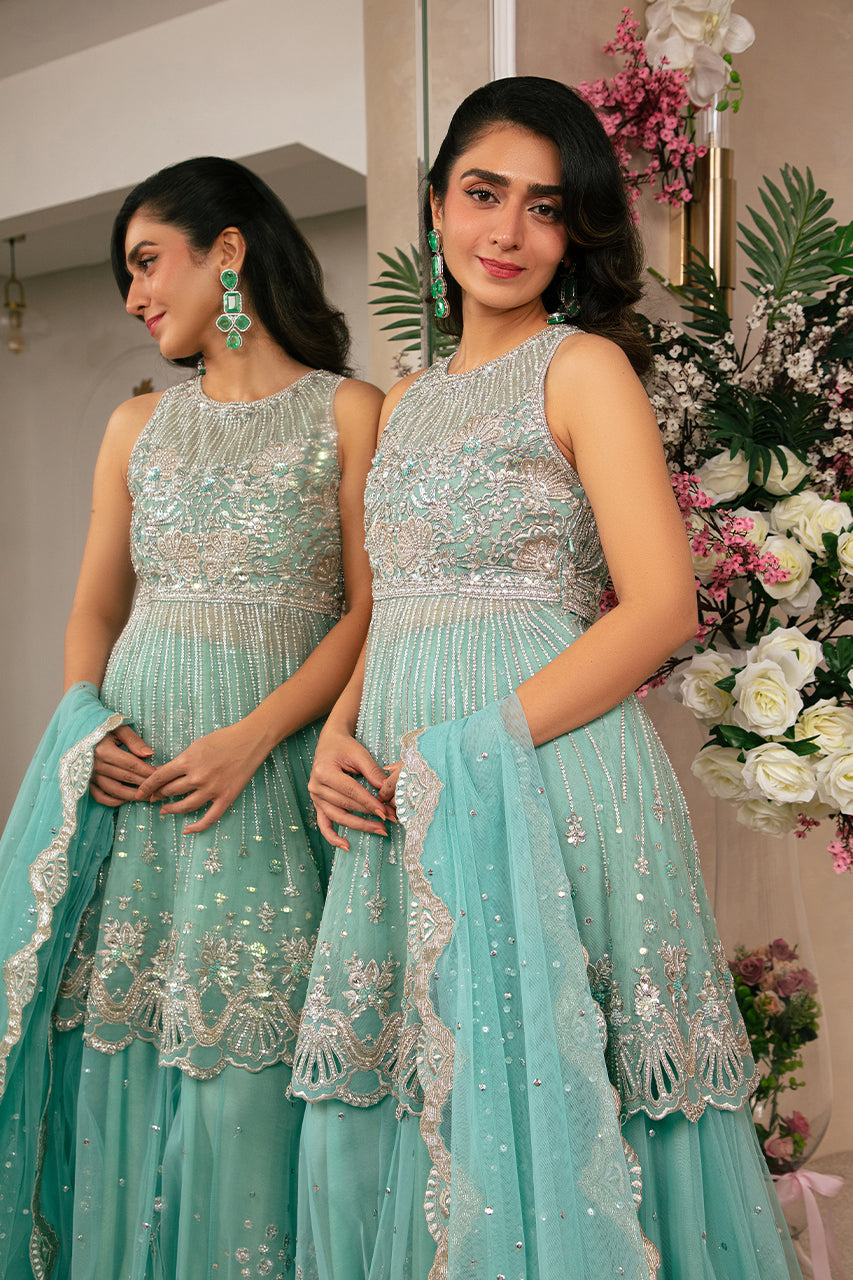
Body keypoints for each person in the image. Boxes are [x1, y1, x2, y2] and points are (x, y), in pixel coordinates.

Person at [293, 79, 801, 1280]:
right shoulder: (403, 401)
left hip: (543, 773)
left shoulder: (582, 371)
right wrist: (334, 729)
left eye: (545, 207)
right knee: (415, 1110)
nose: (508, 232)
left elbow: (661, 606)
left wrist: (466, 746)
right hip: (401, 786)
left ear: (575, 234)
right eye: (483, 194)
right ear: (435, 205)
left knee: (562, 1111)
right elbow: (391, 597)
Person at [0, 156, 381, 1278]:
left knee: (248, 1058)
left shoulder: (348, 410)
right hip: (144, 775)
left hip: (271, 773)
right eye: (127, 274)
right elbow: (94, 607)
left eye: (145, 262)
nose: (133, 296)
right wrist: (85, 717)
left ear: (228, 250)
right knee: (122, 1044)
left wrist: (255, 737)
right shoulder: (136, 426)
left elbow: (372, 608)